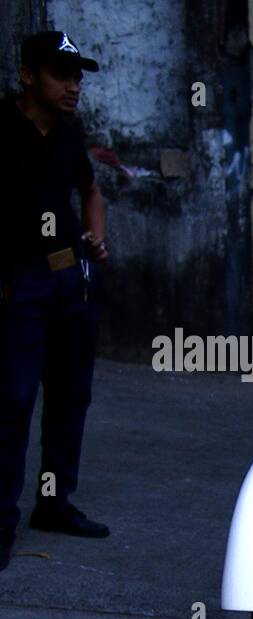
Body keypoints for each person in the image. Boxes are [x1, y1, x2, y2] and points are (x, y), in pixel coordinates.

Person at [0, 31, 109, 572]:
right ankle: (1, 520)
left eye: (77, 77)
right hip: (18, 284)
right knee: (12, 402)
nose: (73, 87)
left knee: (70, 397)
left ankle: (53, 502)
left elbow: (90, 191)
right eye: (61, 75)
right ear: (27, 75)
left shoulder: (68, 132)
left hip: (72, 281)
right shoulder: (1, 128)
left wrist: (96, 237)